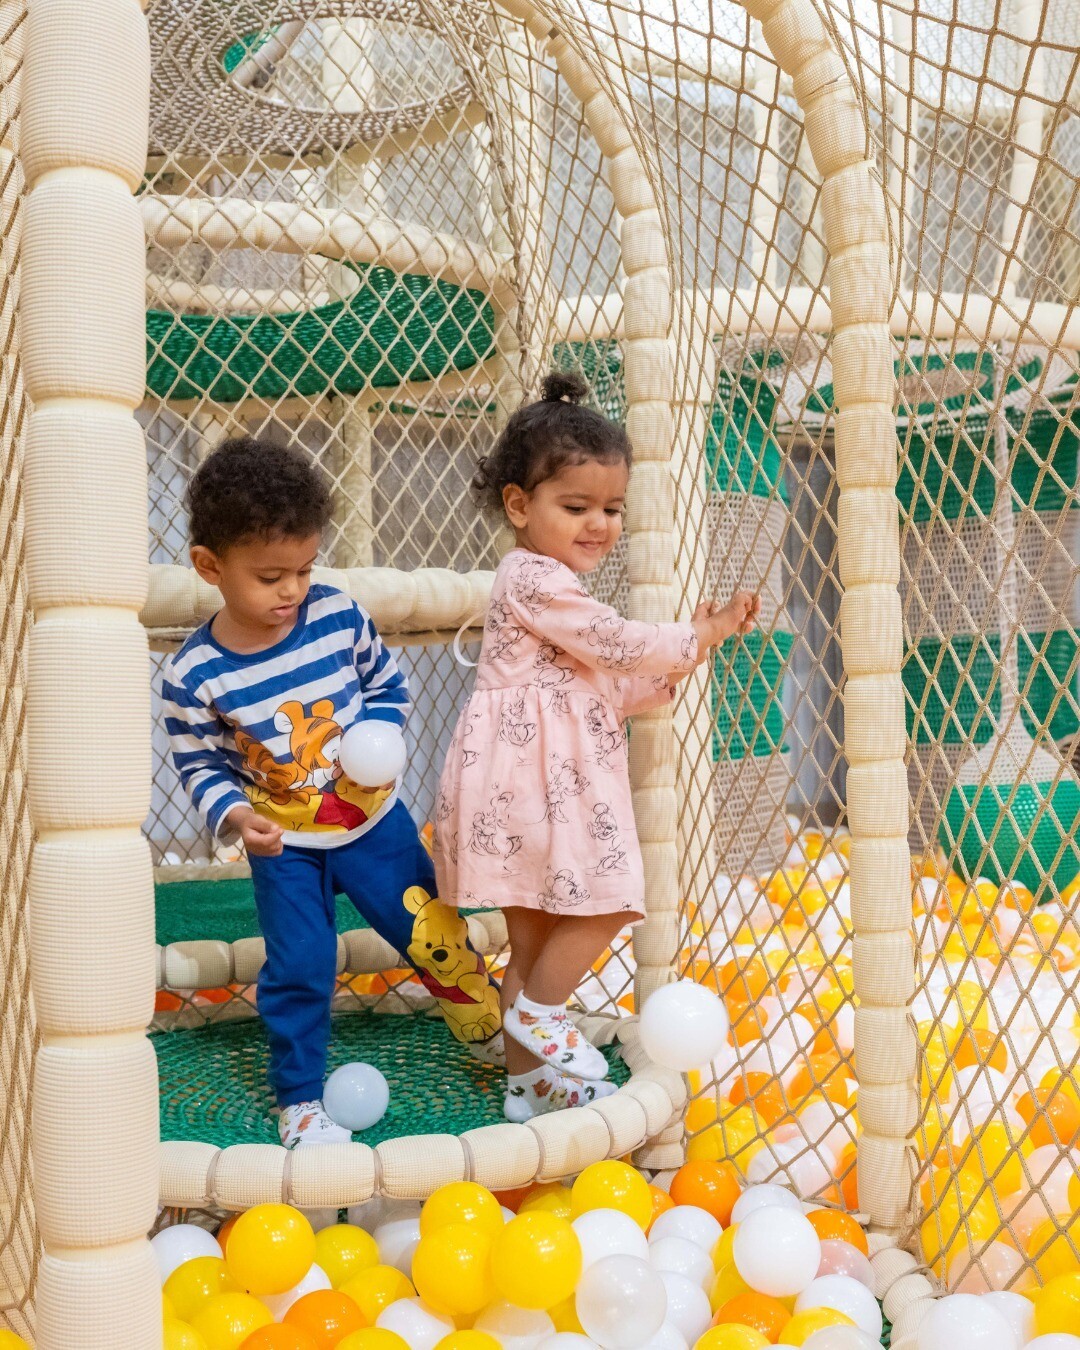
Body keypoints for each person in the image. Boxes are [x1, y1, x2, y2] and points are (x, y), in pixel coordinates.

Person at [434, 371, 760, 1122]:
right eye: (575, 506)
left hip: (536, 782)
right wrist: (692, 635)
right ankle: (544, 1017)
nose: (600, 524)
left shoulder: (556, 592)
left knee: (537, 940)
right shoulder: (532, 578)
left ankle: (528, 1088)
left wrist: (691, 653)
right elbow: (616, 645)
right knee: (610, 901)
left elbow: (606, 687)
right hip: (534, 786)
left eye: (611, 508)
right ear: (519, 505)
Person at [162, 436, 502, 1148]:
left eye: (305, 569)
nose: (292, 590)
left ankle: (491, 1031)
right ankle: (300, 1100)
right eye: (271, 576)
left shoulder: (337, 615)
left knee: (431, 929)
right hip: (284, 841)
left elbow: (385, 685)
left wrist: (378, 737)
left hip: (372, 820)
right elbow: (200, 764)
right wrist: (236, 815)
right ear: (209, 567)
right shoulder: (195, 675)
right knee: (302, 960)